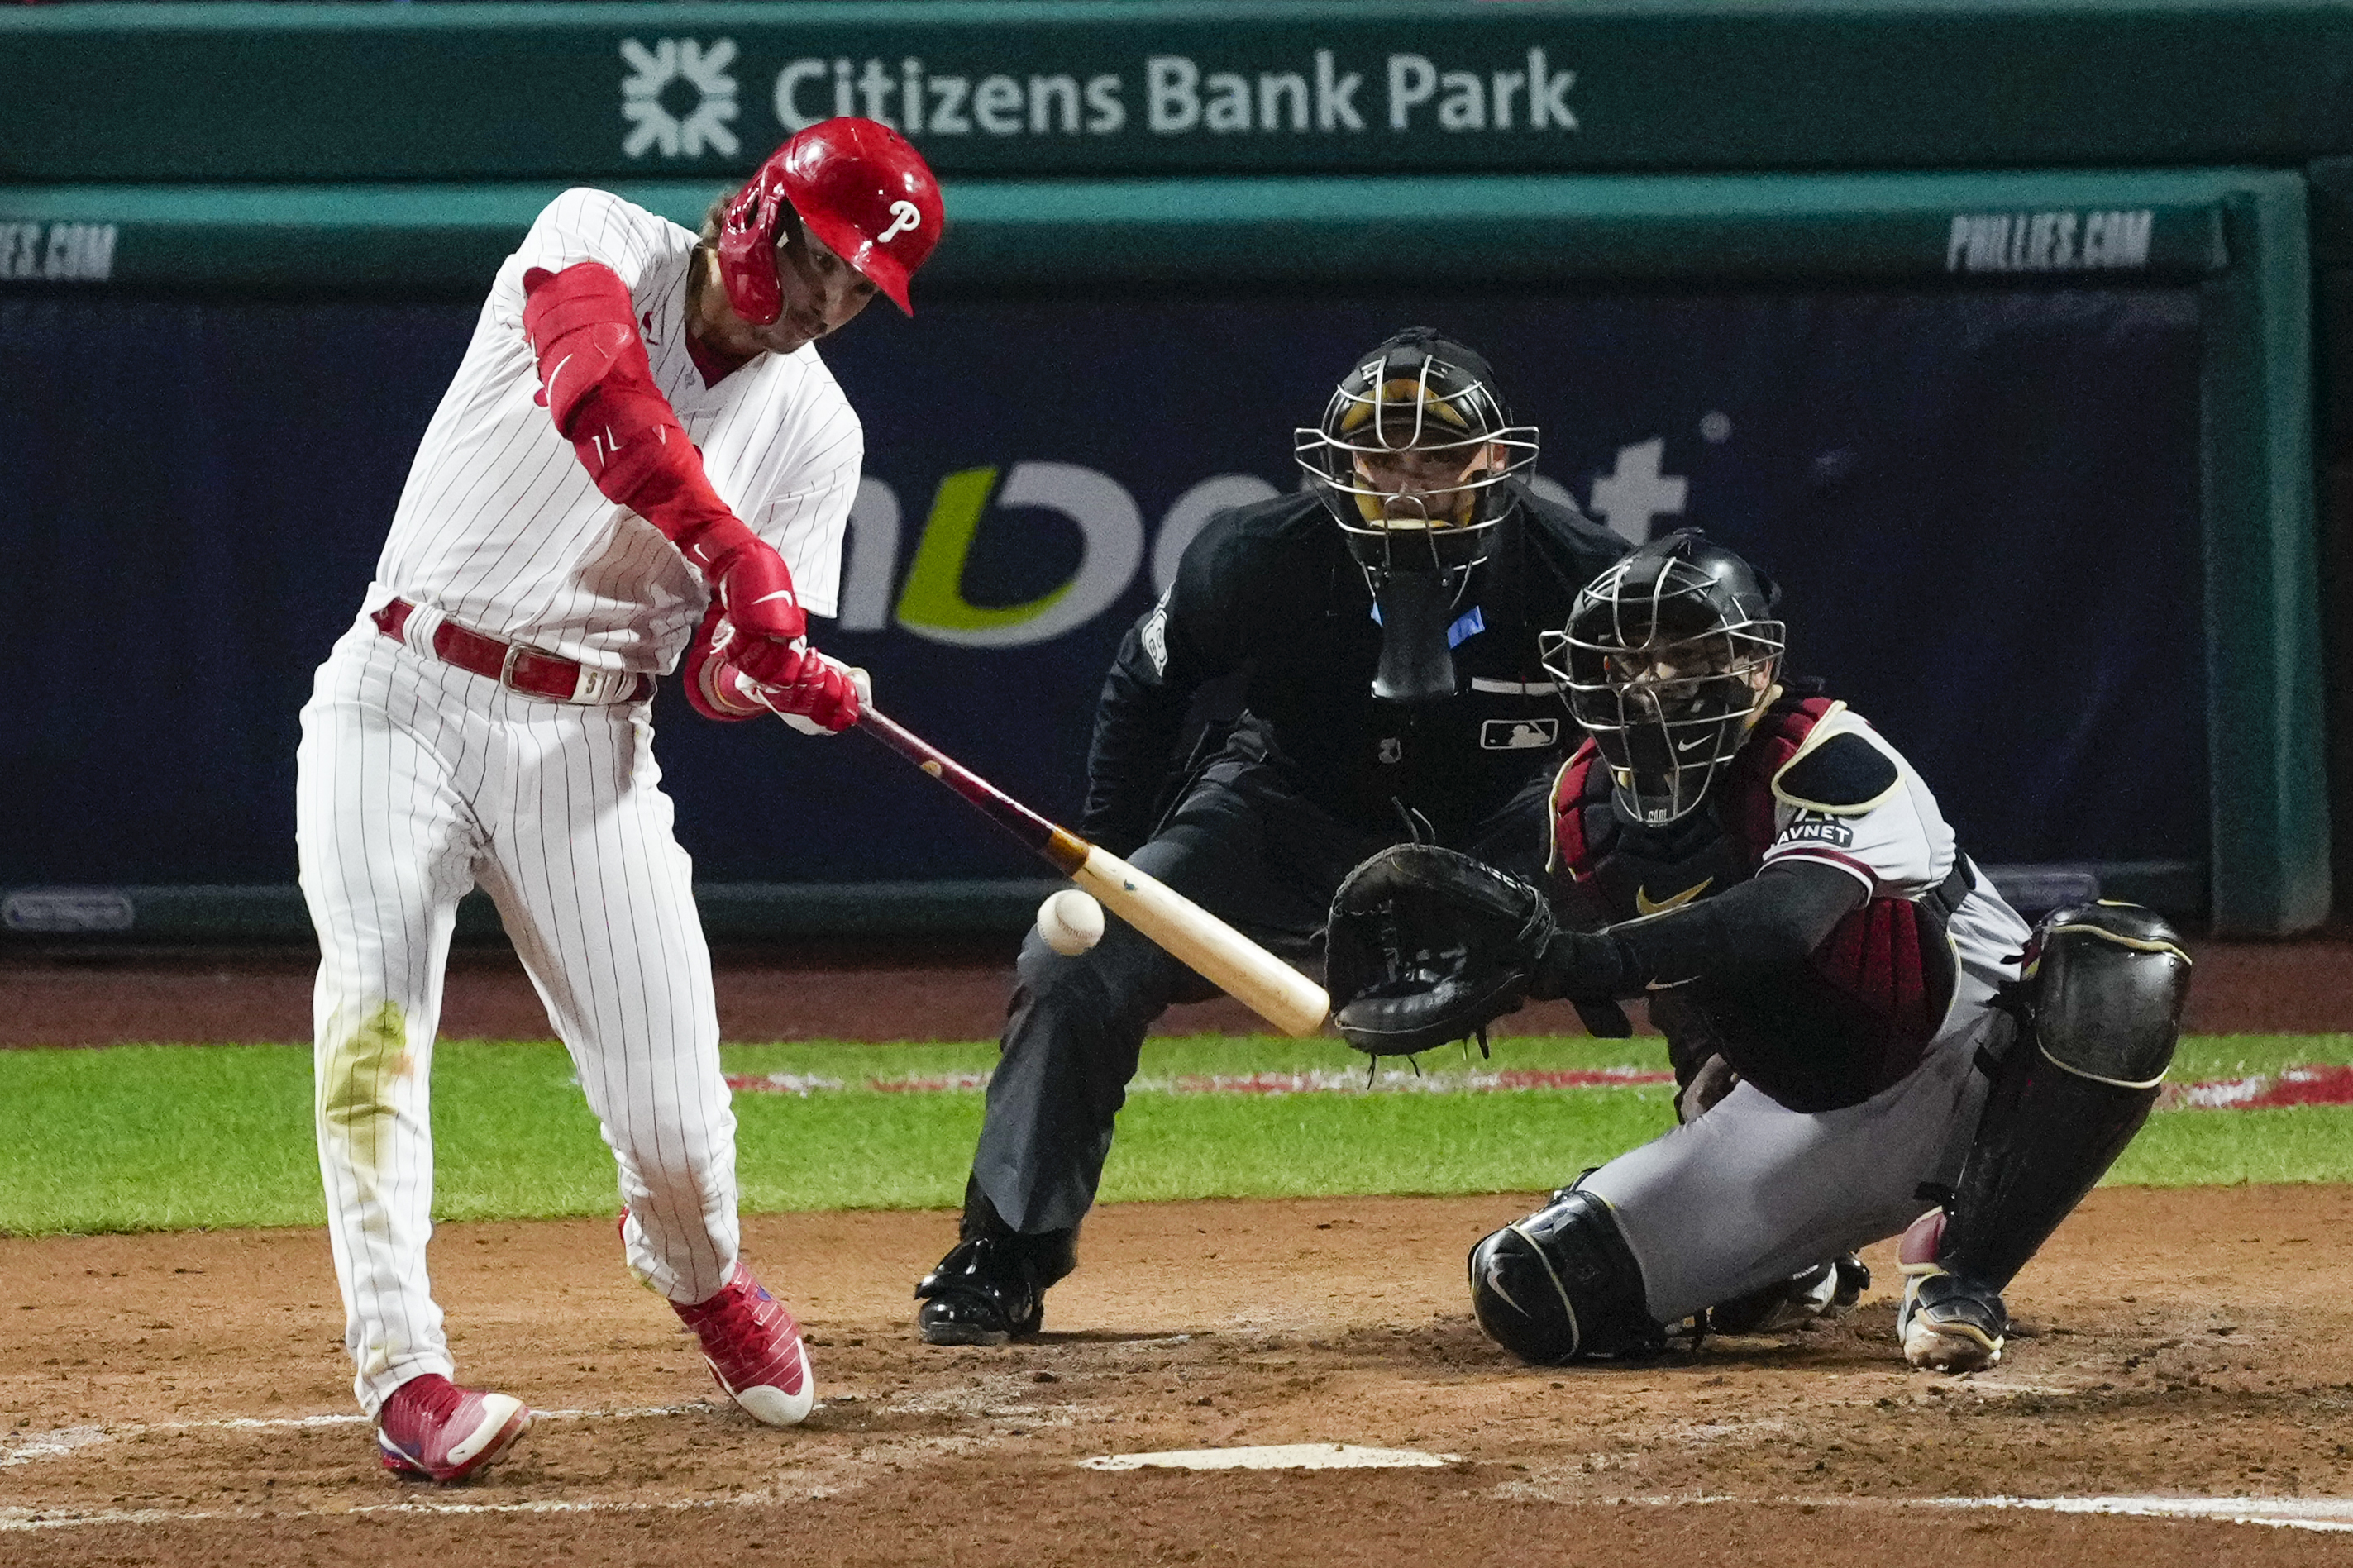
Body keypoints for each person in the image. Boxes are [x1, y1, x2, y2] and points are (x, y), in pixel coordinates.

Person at [295, 117, 941, 1480]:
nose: (825, 304)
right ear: (754, 210)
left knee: (673, 1115)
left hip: (585, 749)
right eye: (820, 260)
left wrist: (772, 667)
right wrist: (737, 555)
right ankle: (405, 1369)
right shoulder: (594, 233)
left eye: (857, 294)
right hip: (396, 693)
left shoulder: (819, 427)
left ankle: (702, 1278)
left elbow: (711, 677)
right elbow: (603, 402)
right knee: (374, 1016)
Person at [1324, 530, 2193, 1371]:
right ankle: (1793, 1264)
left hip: (1986, 1064)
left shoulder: (1830, 756)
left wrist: (1565, 962)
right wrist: (1485, 973)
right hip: (1802, 1105)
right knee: (1531, 1288)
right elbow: (1639, 963)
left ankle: (1962, 1277)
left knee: (2121, 961)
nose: (1651, 686)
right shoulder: (1579, 808)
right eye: (1627, 662)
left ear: (1758, 666)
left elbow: (1780, 921)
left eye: (1683, 656)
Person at [912, 328, 1630, 1345]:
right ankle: (1005, 1247)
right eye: (1382, 457)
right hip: (1285, 805)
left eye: (1436, 456)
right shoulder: (1255, 556)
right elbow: (1144, 686)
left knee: (1703, 909)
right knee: (1075, 959)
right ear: (1336, 465)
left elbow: (1658, 743)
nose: (1409, 483)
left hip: (1508, 827)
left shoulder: (1582, 574)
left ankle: (1772, 1239)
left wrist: (1624, 893)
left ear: (1496, 460)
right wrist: (1114, 868)